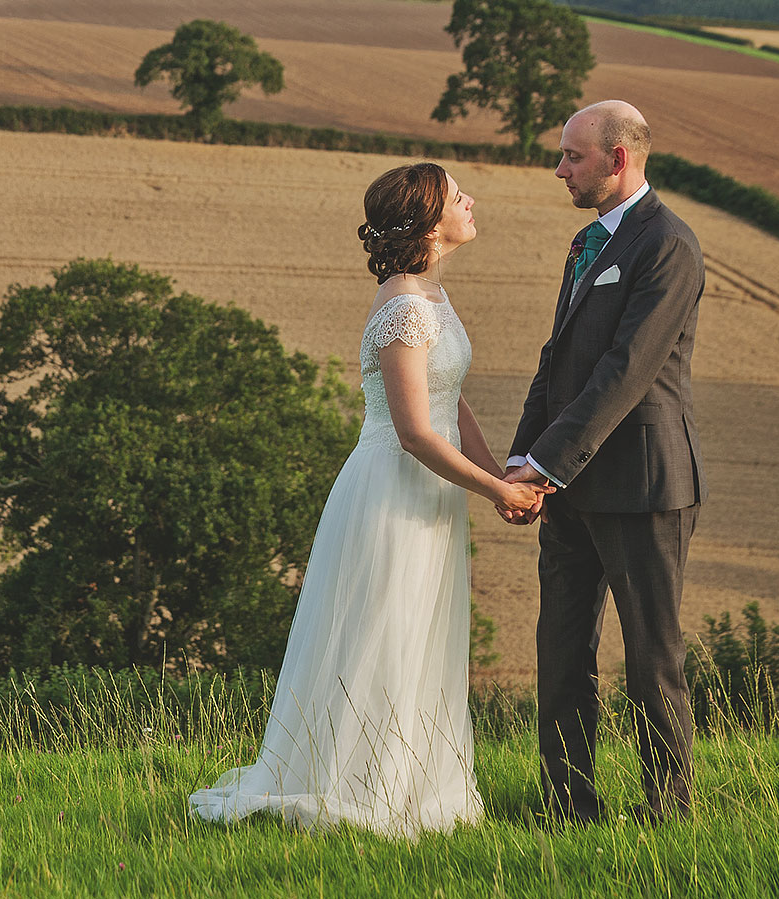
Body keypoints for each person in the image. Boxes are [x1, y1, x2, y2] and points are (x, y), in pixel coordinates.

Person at [189, 161, 546, 835]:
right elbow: (414, 430)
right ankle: (363, 787)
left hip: (432, 494)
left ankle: (413, 785)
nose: (471, 202)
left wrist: (497, 471)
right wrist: (494, 488)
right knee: (387, 631)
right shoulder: (404, 304)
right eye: (456, 195)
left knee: (420, 633)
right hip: (393, 489)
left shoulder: (432, 295)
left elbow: (451, 397)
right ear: (429, 220)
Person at [502, 100, 705, 824]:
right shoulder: (585, 244)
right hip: (567, 491)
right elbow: (556, 363)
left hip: (645, 485)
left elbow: (627, 369)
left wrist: (546, 465)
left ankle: (666, 812)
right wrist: (520, 462)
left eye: (572, 157)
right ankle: (568, 807)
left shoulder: (668, 244)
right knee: (560, 657)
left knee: (653, 662)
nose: (560, 169)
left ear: (618, 159)